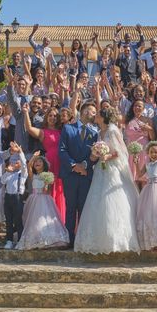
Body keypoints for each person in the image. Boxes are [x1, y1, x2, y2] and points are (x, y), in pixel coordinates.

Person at [74, 107, 140, 254]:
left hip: (112, 170)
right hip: (100, 169)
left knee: (112, 200)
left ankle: (117, 240)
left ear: (103, 117)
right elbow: (97, 152)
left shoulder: (112, 130)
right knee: (97, 200)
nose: (95, 116)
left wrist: (107, 156)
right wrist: (95, 155)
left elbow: (121, 151)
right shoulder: (99, 132)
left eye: (97, 114)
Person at [59, 101, 98, 245]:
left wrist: (85, 165)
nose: (94, 114)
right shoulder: (68, 129)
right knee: (70, 207)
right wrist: (74, 165)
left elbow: (95, 154)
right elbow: (62, 150)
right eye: (92, 111)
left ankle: (82, 239)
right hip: (70, 174)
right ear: (83, 112)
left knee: (83, 207)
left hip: (85, 175)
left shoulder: (94, 133)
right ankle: (69, 238)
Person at [16, 153, 69, 250]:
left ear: (44, 165)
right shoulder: (33, 175)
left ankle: (47, 239)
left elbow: (47, 191)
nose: (37, 163)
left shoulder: (48, 175)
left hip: (44, 199)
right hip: (34, 200)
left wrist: (46, 183)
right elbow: (29, 166)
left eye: (39, 161)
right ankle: (36, 239)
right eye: (36, 162)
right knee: (34, 220)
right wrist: (33, 157)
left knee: (45, 218)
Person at [23, 105, 66, 222]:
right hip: (50, 163)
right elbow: (29, 128)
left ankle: (60, 220)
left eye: (55, 116)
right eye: (50, 115)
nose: (53, 118)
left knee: (60, 190)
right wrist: (26, 112)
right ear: (46, 118)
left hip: (61, 162)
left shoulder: (63, 130)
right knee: (48, 190)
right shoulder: (43, 132)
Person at [1, 142, 28, 249]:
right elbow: (2, 181)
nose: (16, 163)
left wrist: (20, 152)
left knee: (18, 220)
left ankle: (20, 240)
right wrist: (8, 171)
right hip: (8, 197)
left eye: (17, 161)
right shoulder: (9, 174)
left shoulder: (22, 173)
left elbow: (24, 163)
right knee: (8, 220)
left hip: (18, 198)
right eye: (13, 161)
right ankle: (9, 240)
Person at [124, 99, 155, 186]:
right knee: (132, 176)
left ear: (143, 108)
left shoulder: (148, 120)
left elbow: (152, 138)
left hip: (144, 149)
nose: (137, 107)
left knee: (143, 176)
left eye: (139, 106)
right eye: (135, 106)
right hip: (131, 150)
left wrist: (149, 129)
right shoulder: (128, 120)